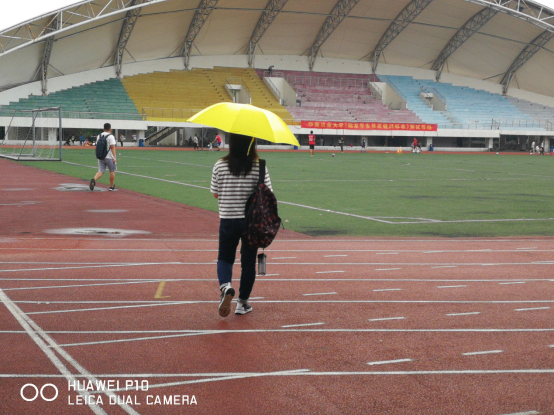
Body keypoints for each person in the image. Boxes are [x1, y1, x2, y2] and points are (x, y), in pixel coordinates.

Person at [210, 133, 273, 317]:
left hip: (228, 219)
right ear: (252, 142)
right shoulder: (259, 166)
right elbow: (268, 194)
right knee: (248, 264)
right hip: (250, 222)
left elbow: (215, 193)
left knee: (225, 258)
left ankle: (226, 287)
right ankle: (242, 302)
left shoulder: (220, 164)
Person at [90, 123, 117, 192]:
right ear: (110, 128)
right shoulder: (111, 136)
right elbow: (112, 147)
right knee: (112, 171)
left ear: (103, 128)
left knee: (101, 171)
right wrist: (114, 157)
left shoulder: (99, 136)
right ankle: (111, 186)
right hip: (109, 157)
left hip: (101, 156)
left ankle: (94, 179)